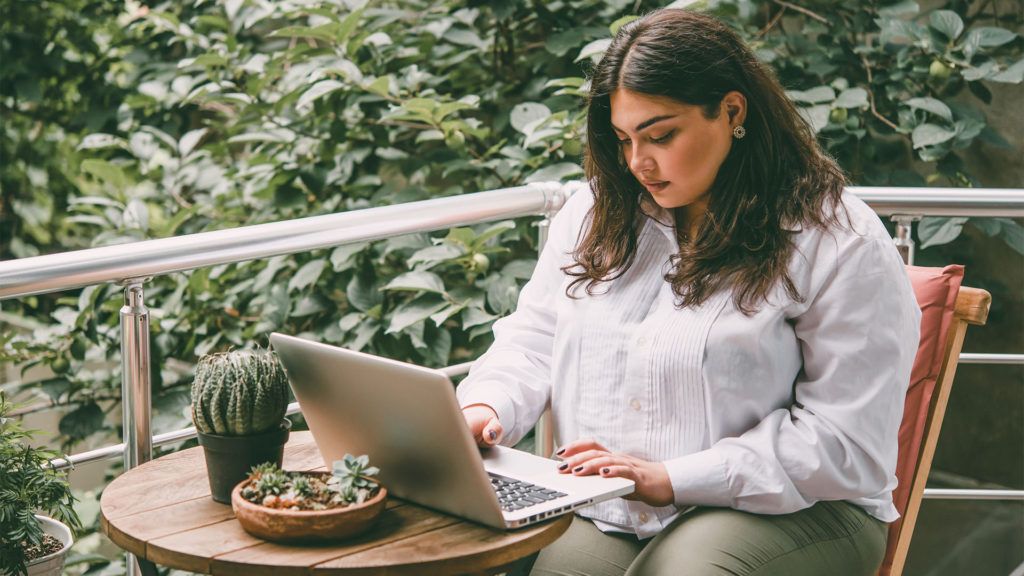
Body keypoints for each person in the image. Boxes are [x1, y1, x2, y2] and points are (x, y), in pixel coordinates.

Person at [458, 8, 921, 576]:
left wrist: (671, 479)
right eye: (623, 139)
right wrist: (485, 408)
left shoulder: (838, 239)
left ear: (731, 111)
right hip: (616, 505)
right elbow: (534, 341)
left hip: (805, 506)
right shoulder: (594, 212)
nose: (637, 163)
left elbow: (843, 442)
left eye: (660, 136)